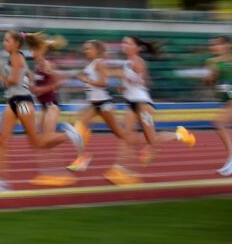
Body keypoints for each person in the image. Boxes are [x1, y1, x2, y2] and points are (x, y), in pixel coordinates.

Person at [0, 31, 84, 192]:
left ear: (16, 44)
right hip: (13, 101)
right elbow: (24, 78)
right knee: (1, 140)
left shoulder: (17, 56)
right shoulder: (16, 58)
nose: (4, 43)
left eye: (7, 40)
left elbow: (13, 80)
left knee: (37, 142)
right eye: (4, 40)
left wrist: (0, 76)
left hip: (23, 103)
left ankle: (70, 134)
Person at [67, 40, 141, 185]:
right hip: (94, 104)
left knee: (121, 134)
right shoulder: (90, 64)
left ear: (96, 50)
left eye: (88, 49)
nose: (85, 51)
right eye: (84, 49)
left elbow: (103, 83)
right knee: (78, 126)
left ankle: (133, 156)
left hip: (104, 104)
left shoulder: (100, 63)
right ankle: (82, 158)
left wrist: (85, 80)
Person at [116, 36, 195, 168]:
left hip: (142, 104)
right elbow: (139, 82)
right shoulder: (126, 64)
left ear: (137, 47)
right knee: (126, 135)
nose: (124, 45)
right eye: (123, 43)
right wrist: (123, 87)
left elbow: (142, 81)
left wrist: (128, 79)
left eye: (128, 43)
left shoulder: (138, 61)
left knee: (152, 140)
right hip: (131, 102)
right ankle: (121, 168)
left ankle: (180, 134)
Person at [25, 32, 85, 187]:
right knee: (42, 143)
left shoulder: (46, 64)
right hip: (44, 106)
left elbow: (58, 83)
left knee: (44, 140)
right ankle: (51, 173)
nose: (31, 52)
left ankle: (71, 133)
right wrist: (33, 88)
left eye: (34, 49)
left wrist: (41, 90)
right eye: (31, 49)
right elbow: (38, 87)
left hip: (51, 105)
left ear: (40, 50)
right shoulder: (37, 65)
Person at [205, 36, 232, 176]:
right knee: (219, 123)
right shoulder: (212, 62)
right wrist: (212, 76)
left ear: (227, 45)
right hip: (227, 100)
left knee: (219, 123)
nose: (213, 47)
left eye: (217, 45)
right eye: (213, 45)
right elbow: (208, 82)